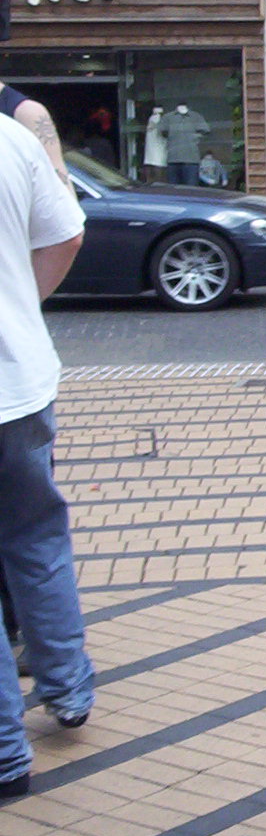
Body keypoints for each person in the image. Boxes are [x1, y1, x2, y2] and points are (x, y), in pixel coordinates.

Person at [0, 111, 98, 800]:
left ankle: (6, 755)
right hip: (21, 381)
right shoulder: (11, 140)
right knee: (37, 538)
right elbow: (68, 233)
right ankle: (69, 689)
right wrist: (20, 305)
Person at [160, 104, 211, 185]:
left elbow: (206, 131)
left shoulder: (196, 116)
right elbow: (163, 132)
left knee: (191, 189)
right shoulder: (168, 117)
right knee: (173, 189)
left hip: (191, 160)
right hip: (173, 159)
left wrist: (195, 137)